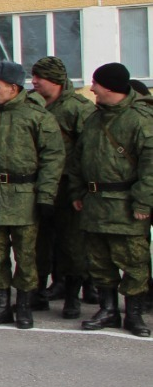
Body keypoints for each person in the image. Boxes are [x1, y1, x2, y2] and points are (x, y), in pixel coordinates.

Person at [0, 61, 65, 330]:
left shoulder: (37, 117)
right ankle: (1, 304)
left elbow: (53, 159)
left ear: (13, 87)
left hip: (25, 195)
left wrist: (45, 196)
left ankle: (23, 305)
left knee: (26, 254)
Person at [69, 63, 153, 337]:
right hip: (94, 204)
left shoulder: (140, 119)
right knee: (99, 261)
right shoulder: (94, 119)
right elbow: (78, 160)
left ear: (110, 87)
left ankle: (135, 314)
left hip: (125, 205)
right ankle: (108, 310)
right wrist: (78, 192)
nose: (92, 88)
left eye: (96, 84)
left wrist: (143, 202)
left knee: (134, 262)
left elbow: (150, 166)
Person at [30, 56, 96, 318]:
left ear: (55, 80)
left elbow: (88, 152)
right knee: (38, 244)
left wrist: (80, 189)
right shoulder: (33, 106)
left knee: (72, 245)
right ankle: (37, 292)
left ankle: (72, 296)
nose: (33, 82)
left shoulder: (79, 109)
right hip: (38, 185)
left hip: (67, 186)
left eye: (39, 78)